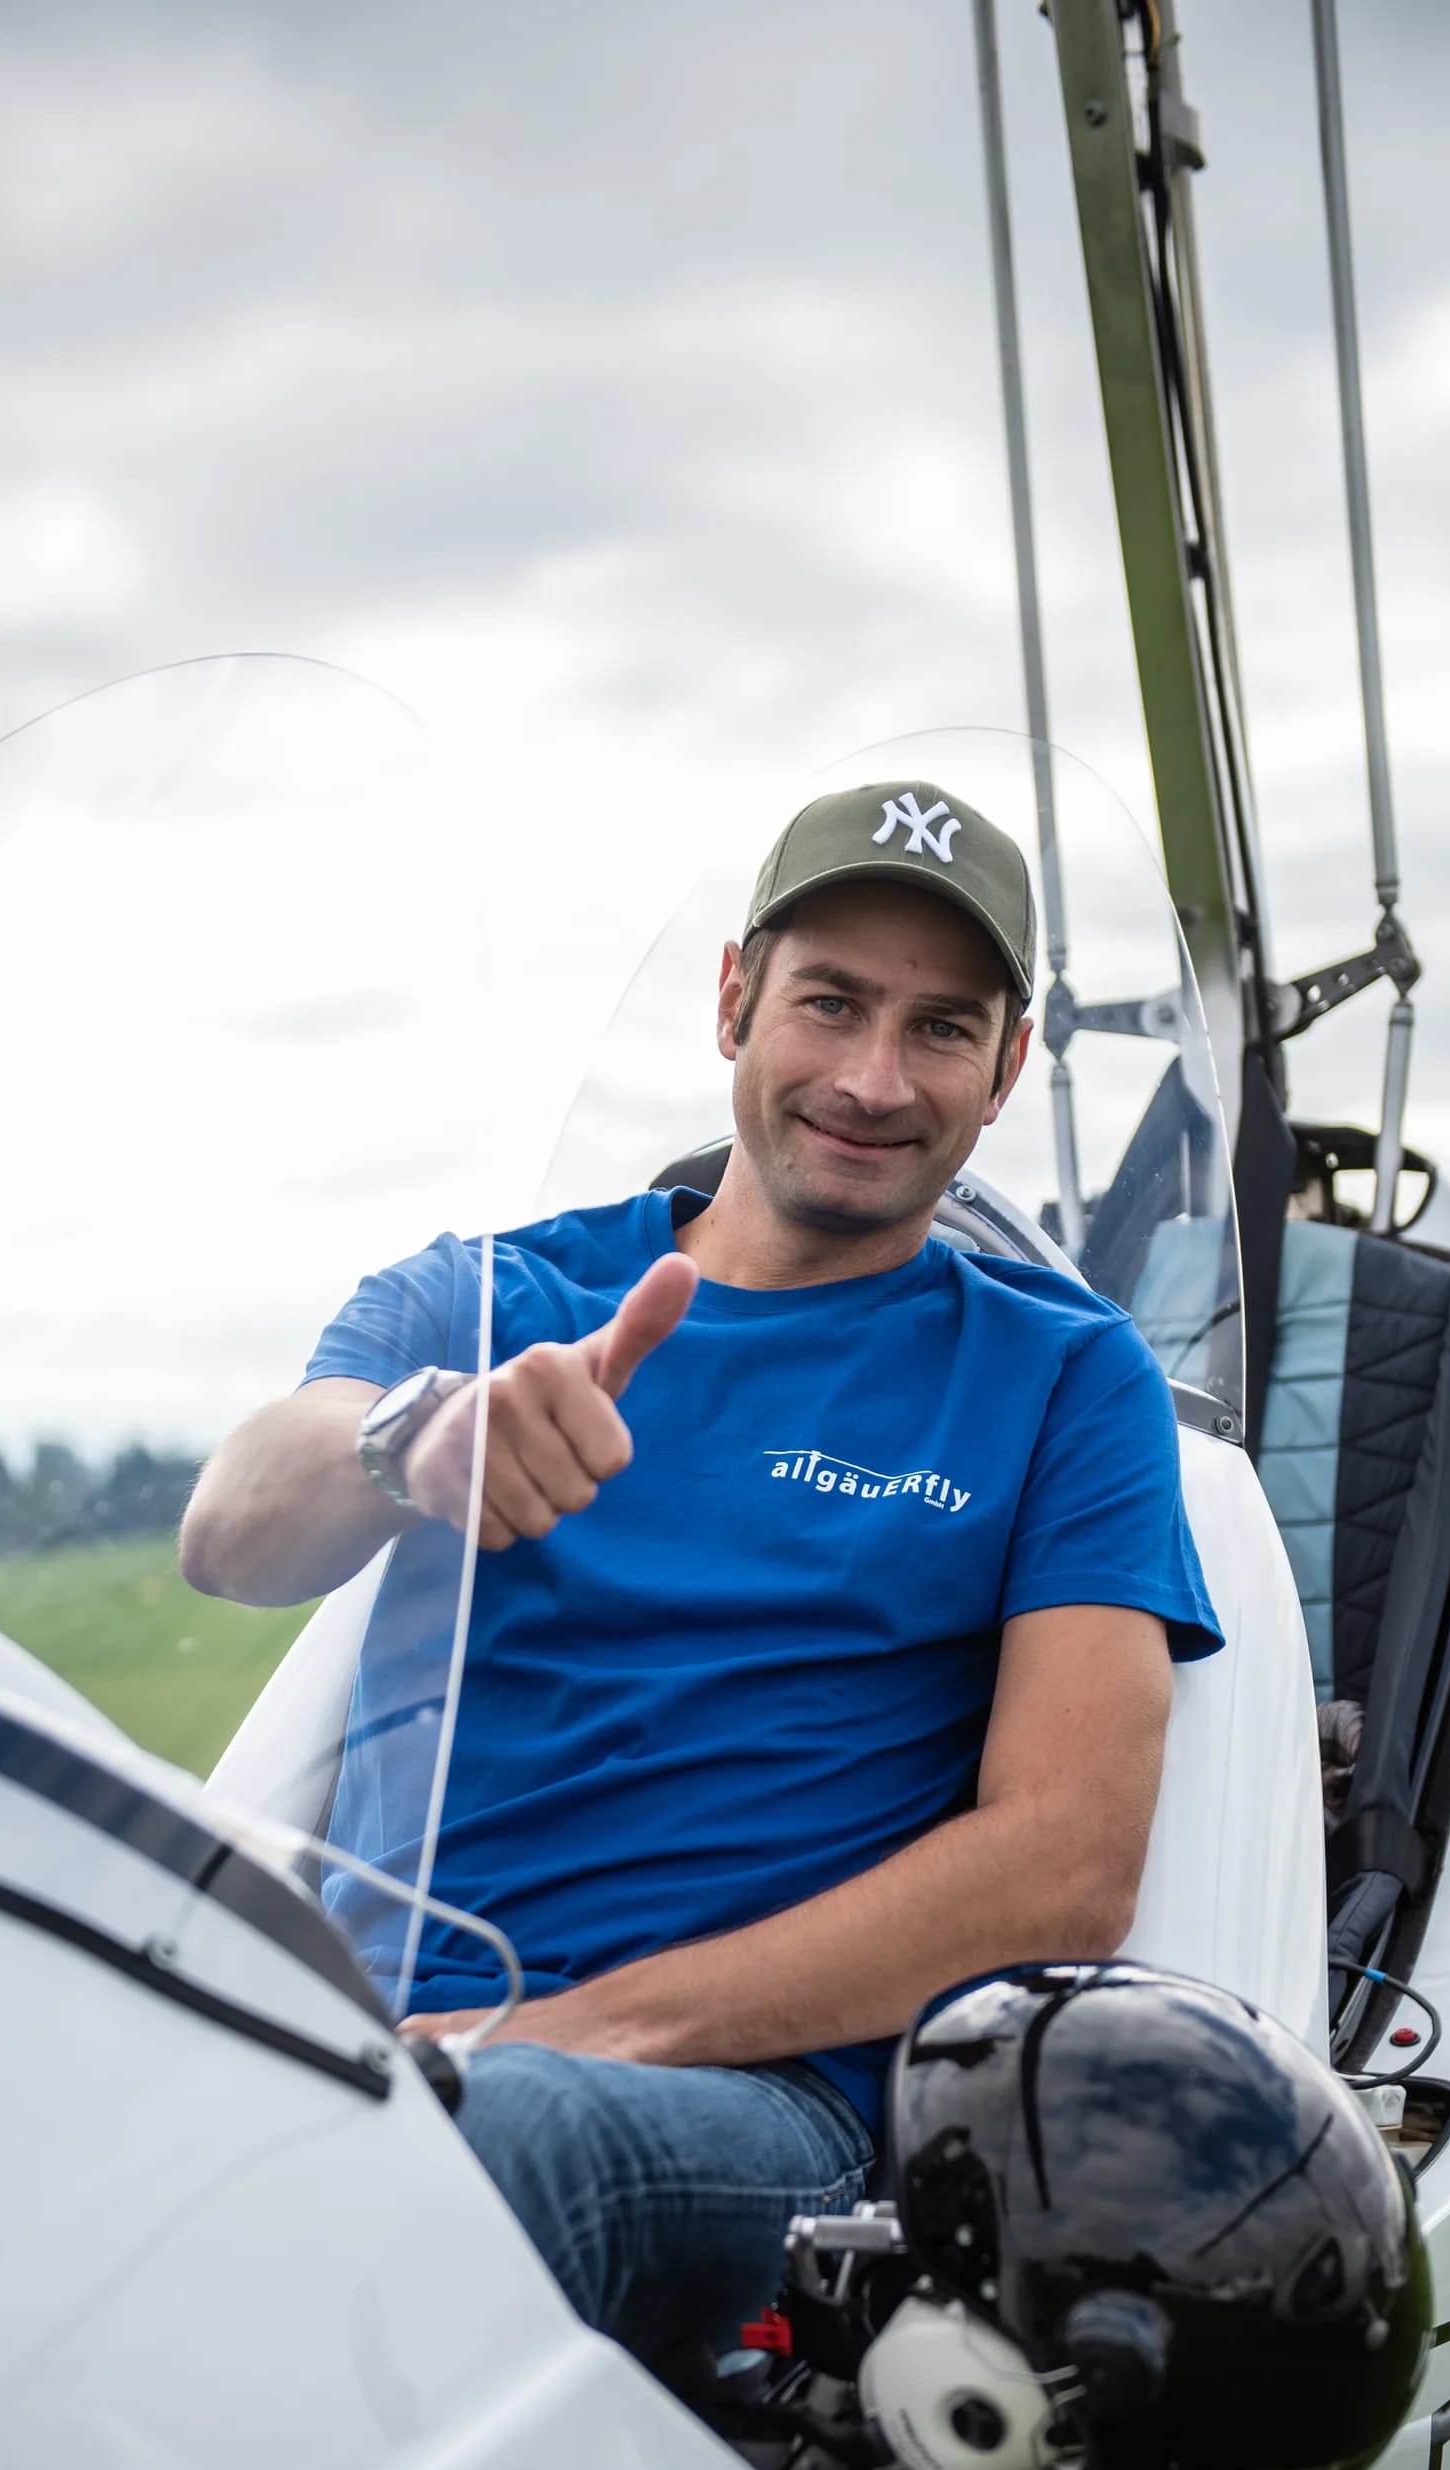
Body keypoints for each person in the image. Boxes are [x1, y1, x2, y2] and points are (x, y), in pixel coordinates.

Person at [181, 778, 1221, 2362]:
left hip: (748, 2105)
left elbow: (1062, 1863)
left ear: (1008, 1069)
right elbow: (234, 1535)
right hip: (359, 2033)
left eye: (943, 1028)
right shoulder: (488, 1297)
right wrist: (414, 1442)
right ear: (735, 1000)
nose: (874, 1079)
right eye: (831, 1004)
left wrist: (565, 2036)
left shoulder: (1065, 1381)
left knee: (495, 2138)